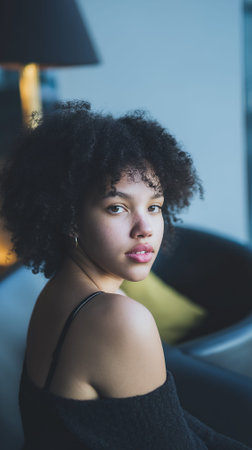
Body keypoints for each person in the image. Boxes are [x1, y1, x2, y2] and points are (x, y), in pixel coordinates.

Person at [0, 101, 250, 449]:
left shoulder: (62, 291)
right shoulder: (117, 318)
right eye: (117, 207)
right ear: (70, 218)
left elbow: (177, 422)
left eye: (154, 206)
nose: (145, 228)